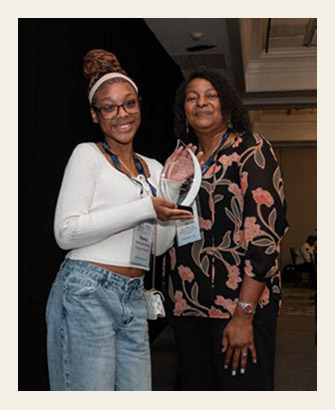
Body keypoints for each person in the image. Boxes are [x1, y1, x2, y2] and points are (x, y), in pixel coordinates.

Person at [45, 49, 194, 391]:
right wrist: (146, 207)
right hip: (86, 290)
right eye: (109, 107)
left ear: (139, 105)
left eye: (129, 104)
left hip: (133, 294)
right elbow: (66, 233)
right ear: (95, 116)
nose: (121, 114)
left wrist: (170, 188)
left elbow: (157, 246)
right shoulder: (88, 155)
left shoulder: (154, 168)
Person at [164, 70, 289, 391]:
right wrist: (169, 185)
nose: (201, 102)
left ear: (227, 103)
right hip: (187, 303)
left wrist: (244, 314)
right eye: (192, 98)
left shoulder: (251, 149)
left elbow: (263, 239)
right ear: (184, 109)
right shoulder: (183, 160)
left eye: (211, 95)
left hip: (237, 305)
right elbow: (166, 228)